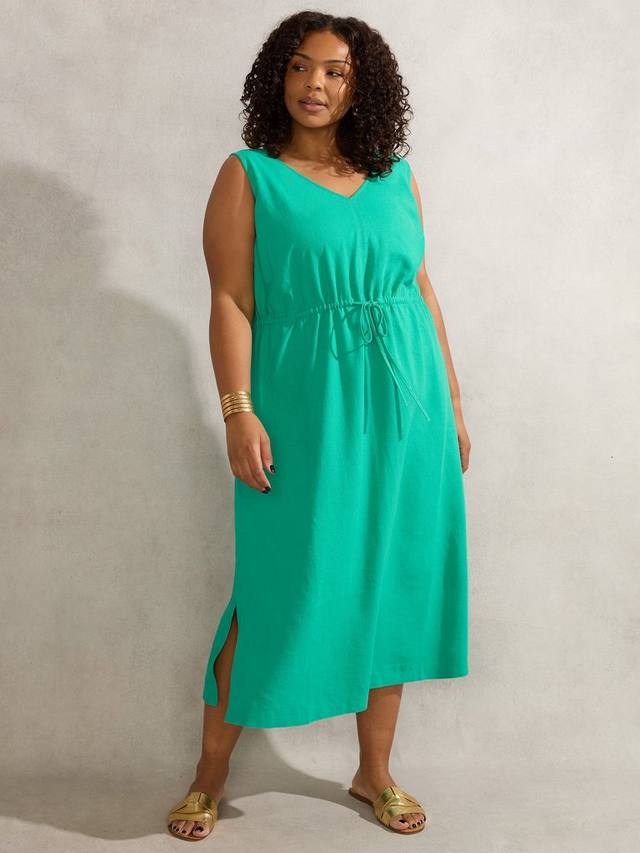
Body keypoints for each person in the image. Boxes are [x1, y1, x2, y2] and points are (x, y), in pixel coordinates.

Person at [166, 10, 471, 842]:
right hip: (305, 411)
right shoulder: (250, 175)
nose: (316, 84)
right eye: (301, 66)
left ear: (360, 87)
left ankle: (374, 771)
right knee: (278, 584)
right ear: (278, 77)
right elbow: (231, 299)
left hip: (407, 413)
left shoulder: (395, 177)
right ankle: (208, 774)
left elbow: (420, 290)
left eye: (336, 71)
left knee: (394, 582)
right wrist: (239, 410)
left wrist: (451, 404)